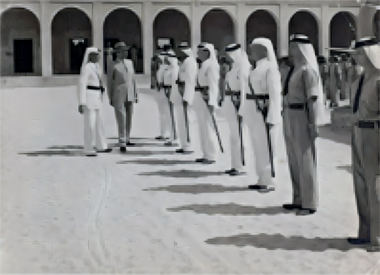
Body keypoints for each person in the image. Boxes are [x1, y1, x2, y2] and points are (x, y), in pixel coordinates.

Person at [282, 34, 326, 215]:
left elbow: (313, 99)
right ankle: (298, 198)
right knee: (293, 158)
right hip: (289, 114)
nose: (291, 50)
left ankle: (310, 202)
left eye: (293, 46)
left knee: (306, 159)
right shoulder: (294, 70)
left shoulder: (308, 71)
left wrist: (314, 122)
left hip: (302, 114)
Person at [349, 37, 380, 252]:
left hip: (374, 135)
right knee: (360, 185)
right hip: (358, 132)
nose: (355, 57)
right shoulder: (359, 79)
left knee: (375, 187)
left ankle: (377, 238)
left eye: (359, 53)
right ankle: (365, 232)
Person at [244, 38, 282, 191]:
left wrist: (272, 115)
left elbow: (275, 94)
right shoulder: (255, 68)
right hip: (254, 111)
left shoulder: (270, 68)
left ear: (264, 50)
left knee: (267, 145)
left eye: (254, 48)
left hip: (264, 112)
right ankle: (261, 178)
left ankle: (269, 179)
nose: (251, 51)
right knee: (257, 145)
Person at [220, 43, 250, 176]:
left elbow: (244, 90)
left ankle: (241, 166)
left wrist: (242, 109)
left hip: (238, 105)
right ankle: (235, 165)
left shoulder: (244, 68)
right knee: (234, 136)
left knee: (240, 136)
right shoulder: (234, 68)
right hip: (231, 104)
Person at [77, 47, 112, 156]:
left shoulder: (98, 67)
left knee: (100, 122)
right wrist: (81, 102)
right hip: (89, 97)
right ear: (90, 56)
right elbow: (82, 84)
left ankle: (101, 145)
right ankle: (88, 148)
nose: (99, 57)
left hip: (98, 96)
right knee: (90, 124)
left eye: (99, 55)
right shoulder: (86, 68)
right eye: (96, 55)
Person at [107, 42, 138, 152]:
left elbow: (133, 79)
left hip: (130, 93)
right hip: (118, 93)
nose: (125, 52)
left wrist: (136, 93)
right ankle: (122, 141)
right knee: (121, 118)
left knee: (129, 116)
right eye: (123, 50)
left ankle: (128, 138)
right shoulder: (113, 65)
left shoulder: (130, 63)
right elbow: (109, 82)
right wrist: (110, 96)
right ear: (118, 52)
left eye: (126, 50)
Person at [194, 42, 220, 164]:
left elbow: (214, 85)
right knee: (202, 127)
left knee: (209, 126)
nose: (197, 53)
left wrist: (211, 100)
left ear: (206, 52)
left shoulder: (211, 65)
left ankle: (212, 155)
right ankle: (205, 153)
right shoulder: (203, 65)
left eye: (200, 51)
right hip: (200, 97)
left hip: (207, 98)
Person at [176, 42, 198, 154]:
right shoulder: (185, 61)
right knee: (182, 120)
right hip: (182, 91)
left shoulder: (189, 62)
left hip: (186, 93)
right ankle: (184, 144)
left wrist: (187, 96)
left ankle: (189, 145)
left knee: (187, 120)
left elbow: (190, 80)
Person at [163, 49, 179, 146]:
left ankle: (176, 137)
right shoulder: (169, 68)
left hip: (173, 93)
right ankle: (172, 136)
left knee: (174, 116)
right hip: (168, 92)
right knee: (170, 115)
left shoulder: (175, 68)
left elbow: (174, 83)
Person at [154, 51, 172, 141]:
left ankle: (170, 133)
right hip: (160, 92)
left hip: (166, 92)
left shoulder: (168, 68)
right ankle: (163, 133)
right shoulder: (161, 67)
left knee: (167, 113)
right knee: (162, 113)